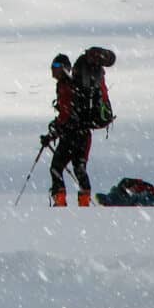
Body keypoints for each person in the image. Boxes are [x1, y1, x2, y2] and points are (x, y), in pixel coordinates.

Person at [40, 53, 94, 207]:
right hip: (83, 135)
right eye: (52, 66)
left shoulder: (66, 86)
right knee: (79, 168)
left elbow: (66, 114)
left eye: (56, 66)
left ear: (64, 68)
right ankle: (84, 204)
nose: (53, 69)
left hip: (72, 134)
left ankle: (60, 203)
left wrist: (52, 133)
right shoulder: (75, 85)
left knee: (56, 167)